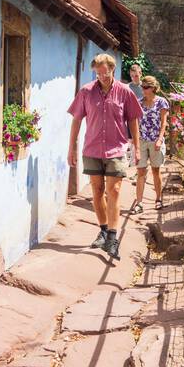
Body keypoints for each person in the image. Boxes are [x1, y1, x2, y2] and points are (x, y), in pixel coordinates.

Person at [68, 53, 142, 261]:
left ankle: (112, 237)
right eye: (98, 73)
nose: (102, 76)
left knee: (115, 190)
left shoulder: (125, 92)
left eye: (106, 72)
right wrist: (71, 148)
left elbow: (133, 121)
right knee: (97, 190)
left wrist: (136, 148)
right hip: (91, 149)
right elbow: (76, 120)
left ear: (113, 69)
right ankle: (102, 230)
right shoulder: (86, 92)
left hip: (116, 149)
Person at [131, 75, 168, 214]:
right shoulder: (139, 102)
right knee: (140, 171)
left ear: (153, 88)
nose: (143, 89)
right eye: (142, 87)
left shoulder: (162, 102)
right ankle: (139, 203)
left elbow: (164, 123)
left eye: (146, 87)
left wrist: (160, 139)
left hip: (155, 140)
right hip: (141, 140)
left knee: (155, 170)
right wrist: (135, 143)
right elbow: (134, 123)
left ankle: (158, 199)